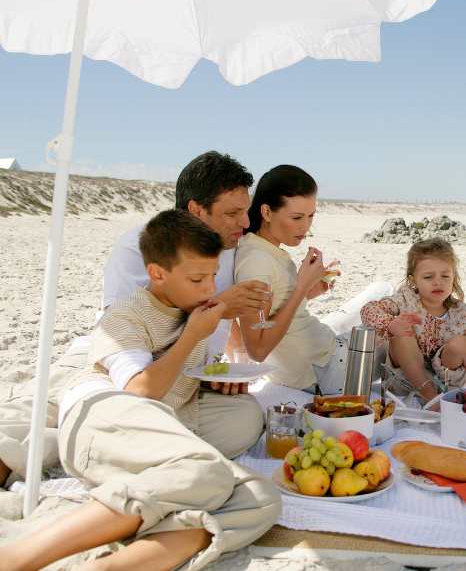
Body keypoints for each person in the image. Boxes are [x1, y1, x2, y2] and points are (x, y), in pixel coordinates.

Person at [0, 210, 280, 571]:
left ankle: (109, 566)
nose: (211, 289)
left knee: (260, 498)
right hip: (104, 409)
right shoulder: (124, 318)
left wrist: (211, 376)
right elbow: (138, 392)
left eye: (213, 276)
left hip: (159, 422)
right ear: (157, 274)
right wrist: (194, 334)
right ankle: (16, 558)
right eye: (197, 278)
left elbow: (177, 375)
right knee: (206, 470)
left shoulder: (193, 307)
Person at [0, 151, 270, 490]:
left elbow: (219, 338)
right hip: (113, 364)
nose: (244, 223)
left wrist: (217, 375)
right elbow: (129, 339)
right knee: (42, 413)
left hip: (181, 380)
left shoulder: (231, 250)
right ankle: (60, 449)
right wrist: (217, 308)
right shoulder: (138, 250)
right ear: (197, 211)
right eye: (233, 213)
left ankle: (91, 450)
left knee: (245, 418)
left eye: (245, 211)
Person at [235, 165, 392, 394]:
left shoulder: (264, 249)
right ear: (267, 212)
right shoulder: (256, 264)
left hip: (323, 349)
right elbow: (257, 349)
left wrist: (309, 291)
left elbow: (274, 307)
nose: (305, 226)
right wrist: (300, 286)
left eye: (311, 216)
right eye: (297, 217)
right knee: (404, 339)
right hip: (328, 371)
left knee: (382, 289)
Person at [360, 237, 466, 411]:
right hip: (407, 379)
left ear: (454, 278)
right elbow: (368, 310)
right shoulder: (404, 301)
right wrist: (391, 324)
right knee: (403, 333)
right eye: (428, 277)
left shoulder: (460, 312)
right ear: (413, 280)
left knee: (464, 342)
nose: (438, 282)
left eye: (445, 276)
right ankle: (432, 400)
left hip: (448, 381)